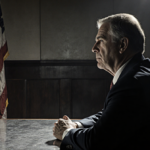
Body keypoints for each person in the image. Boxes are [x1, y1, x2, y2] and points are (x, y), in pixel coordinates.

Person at [52, 13, 150, 150]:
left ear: (122, 44)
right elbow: (111, 115)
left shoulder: (132, 83)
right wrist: (77, 126)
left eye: (101, 40)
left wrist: (66, 133)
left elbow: (96, 141)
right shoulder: (137, 72)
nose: (94, 48)